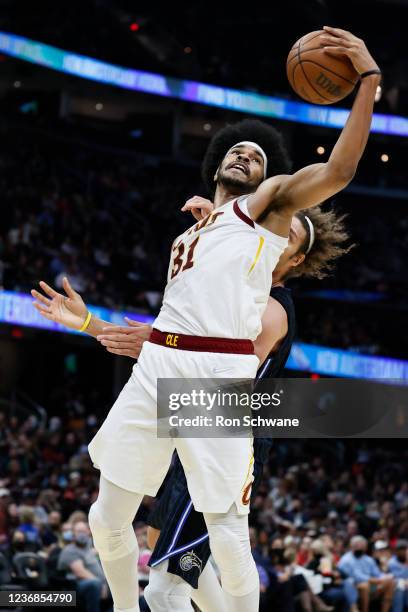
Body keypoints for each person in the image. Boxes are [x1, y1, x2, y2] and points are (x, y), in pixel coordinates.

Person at [32, 28, 380, 612]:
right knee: (105, 515)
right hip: (163, 366)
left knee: (221, 540)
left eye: (260, 157)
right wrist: (91, 323)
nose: (246, 153)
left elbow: (339, 172)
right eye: (238, 150)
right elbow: (168, 327)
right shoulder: (191, 234)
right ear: (215, 165)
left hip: (220, 387)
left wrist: (367, 81)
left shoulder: (266, 227)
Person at [96, 196, 352, 612]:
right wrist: (215, 226)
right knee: (161, 542)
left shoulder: (271, 308)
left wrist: (159, 344)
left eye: (286, 234)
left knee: (167, 586)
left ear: (297, 257)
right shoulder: (242, 290)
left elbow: (223, 374)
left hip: (227, 430)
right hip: (201, 421)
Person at [57, 520, 110, 612]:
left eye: (84, 531)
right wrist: (102, 584)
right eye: (79, 531)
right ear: (73, 533)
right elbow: (80, 573)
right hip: (76, 586)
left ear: (89, 532)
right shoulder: (70, 550)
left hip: (99, 583)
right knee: (94, 584)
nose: (82, 534)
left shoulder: (90, 550)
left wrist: (105, 583)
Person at [337, 535, 396, 612]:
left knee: (390, 582)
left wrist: (386, 577)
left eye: (361, 546)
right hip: (354, 586)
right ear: (351, 546)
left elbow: (377, 574)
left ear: (365, 547)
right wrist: (377, 580)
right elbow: (356, 577)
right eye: (357, 546)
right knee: (365, 585)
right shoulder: (346, 559)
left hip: (373, 585)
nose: (359, 548)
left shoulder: (368, 559)